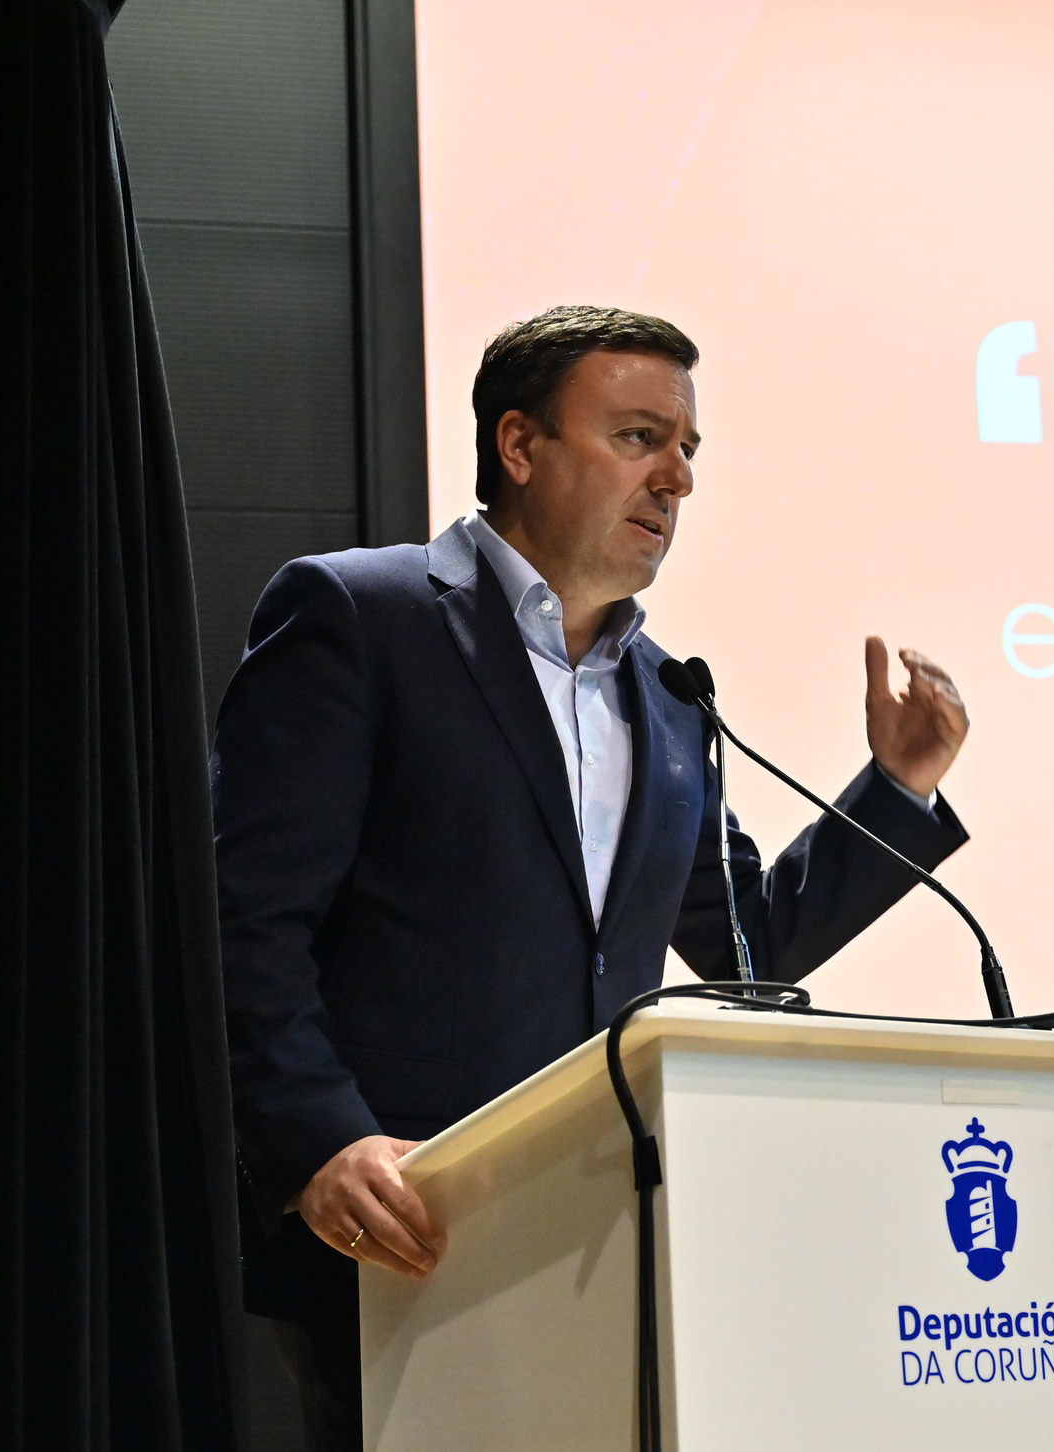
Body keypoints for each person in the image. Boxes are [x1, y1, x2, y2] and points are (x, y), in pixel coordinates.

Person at [213, 306, 972, 1451]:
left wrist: (897, 787)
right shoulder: (361, 617)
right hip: (399, 1216)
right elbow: (244, 920)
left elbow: (750, 943)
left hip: (599, 1226)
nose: (676, 478)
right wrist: (318, 1140)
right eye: (637, 438)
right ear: (520, 445)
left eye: (687, 450)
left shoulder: (666, 695)